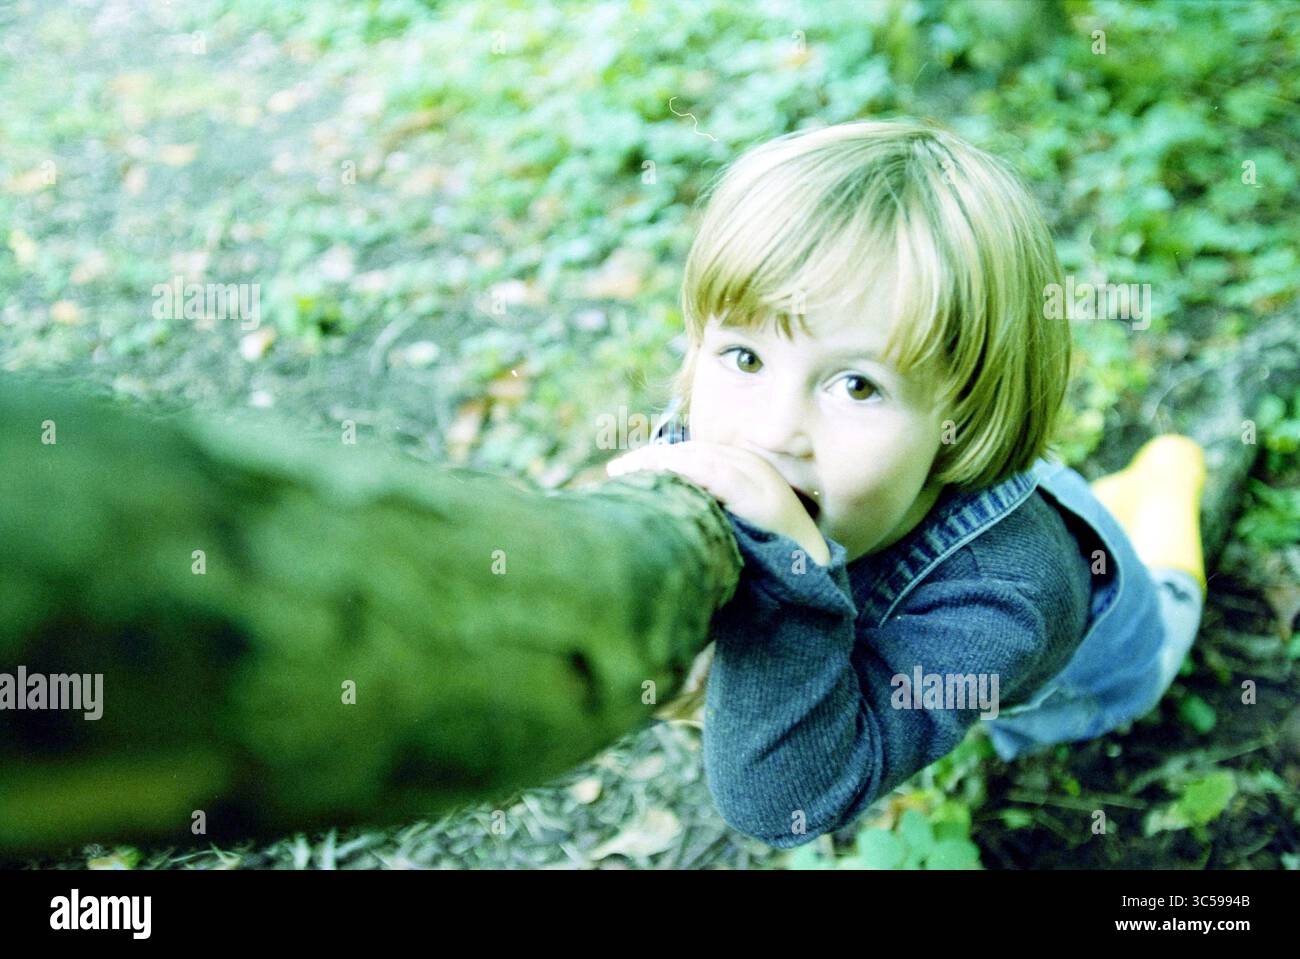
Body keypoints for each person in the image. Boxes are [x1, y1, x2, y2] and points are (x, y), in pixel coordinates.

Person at [605, 119, 1207, 849]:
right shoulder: (751, 437)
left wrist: (787, 587)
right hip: (1047, 518)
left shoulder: (1007, 596)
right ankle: (1130, 493)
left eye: (856, 385)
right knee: (1102, 515)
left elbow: (782, 801)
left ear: (965, 414)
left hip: (1116, 651)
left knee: (1164, 564)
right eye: (745, 356)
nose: (768, 431)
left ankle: (1176, 470)